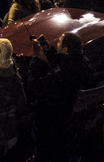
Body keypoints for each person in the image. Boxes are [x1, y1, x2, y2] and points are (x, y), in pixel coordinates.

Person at [29, 32, 89, 162]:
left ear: (66, 49)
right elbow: (61, 61)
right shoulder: (78, 62)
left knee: (48, 152)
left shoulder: (63, 73)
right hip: (65, 118)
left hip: (51, 122)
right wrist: (48, 49)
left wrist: (35, 58)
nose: (56, 44)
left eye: (59, 43)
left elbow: (36, 86)